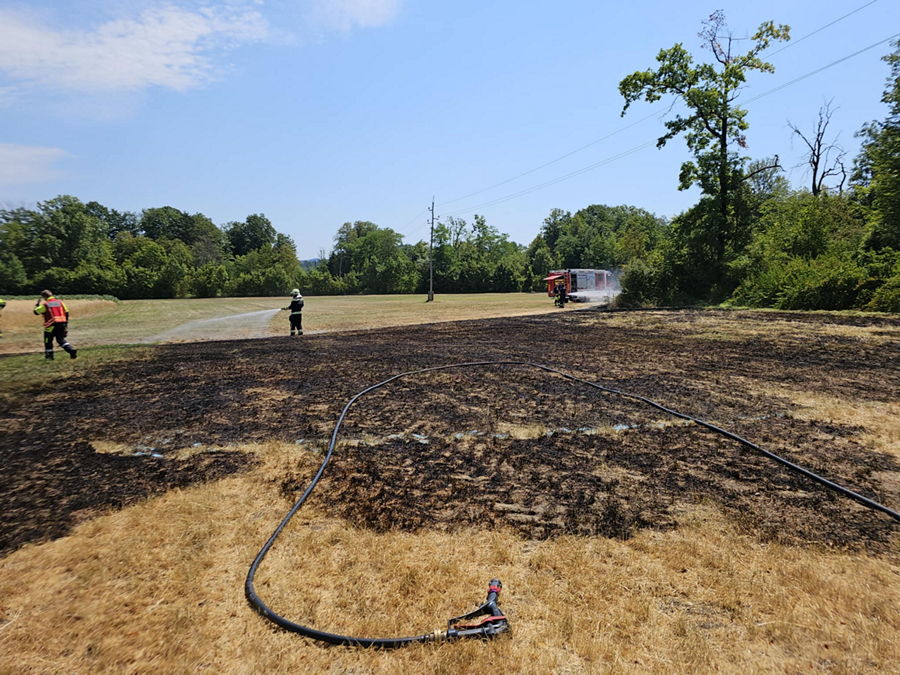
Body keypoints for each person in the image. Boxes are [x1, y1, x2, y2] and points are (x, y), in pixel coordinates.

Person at [34, 290, 77, 360]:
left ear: (44, 297)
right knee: (60, 339)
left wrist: (37, 305)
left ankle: (49, 357)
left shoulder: (46, 304)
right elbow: (67, 312)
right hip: (62, 323)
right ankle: (71, 350)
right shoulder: (60, 302)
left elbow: (36, 312)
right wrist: (66, 324)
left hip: (51, 324)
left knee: (48, 341)